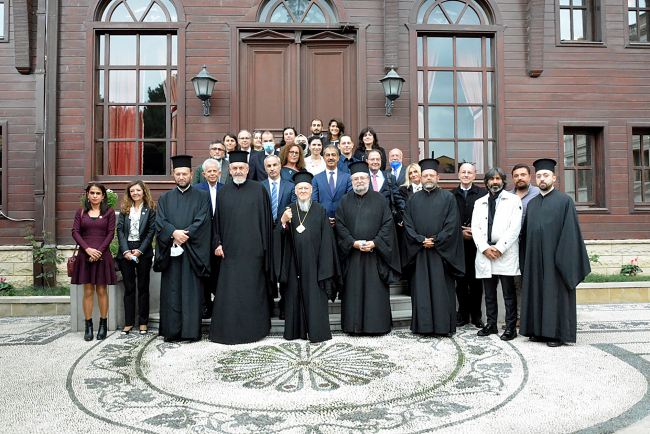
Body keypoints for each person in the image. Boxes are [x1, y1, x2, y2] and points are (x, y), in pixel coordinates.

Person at [519, 158, 591, 347]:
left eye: (546, 175)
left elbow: (571, 233)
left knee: (553, 293)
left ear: (554, 177)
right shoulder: (532, 204)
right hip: (535, 259)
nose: (542, 179)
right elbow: (526, 235)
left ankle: (555, 334)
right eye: (539, 176)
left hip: (556, 259)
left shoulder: (564, 201)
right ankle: (537, 331)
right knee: (536, 292)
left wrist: (562, 259)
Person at [210, 151, 275, 345]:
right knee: (230, 293)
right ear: (229, 171)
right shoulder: (223, 192)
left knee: (252, 292)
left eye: (241, 168)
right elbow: (217, 223)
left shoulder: (258, 189)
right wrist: (217, 243)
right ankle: (227, 331)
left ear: (248, 170)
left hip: (254, 254)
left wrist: (265, 249)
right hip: (229, 253)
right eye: (235, 168)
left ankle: (255, 331)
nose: (238, 171)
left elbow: (266, 222)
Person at [335, 161, 401, 335]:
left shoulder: (379, 199)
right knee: (353, 292)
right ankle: (353, 327)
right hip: (353, 257)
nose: (359, 181)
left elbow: (388, 224)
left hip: (375, 256)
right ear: (351, 181)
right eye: (356, 179)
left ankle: (377, 326)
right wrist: (352, 243)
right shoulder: (344, 200)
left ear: (368, 179)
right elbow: (340, 226)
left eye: (362, 178)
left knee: (375, 293)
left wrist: (376, 242)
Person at [275, 171, 342, 343]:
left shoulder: (320, 211)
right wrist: (283, 222)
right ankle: (295, 332)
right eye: (300, 188)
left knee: (315, 298)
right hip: (293, 264)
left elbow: (328, 240)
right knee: (294, 297)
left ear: (311, 191)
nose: (303, 191)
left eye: (306, 188)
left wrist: (325, 267)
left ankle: (316, 332)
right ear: (295, 191)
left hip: (315, 265)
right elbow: (277, 237)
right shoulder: (288, 210)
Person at [402, 159, 465, 337]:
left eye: (432, 175)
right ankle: (423, 327)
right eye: (425, 175)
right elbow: (408, 224)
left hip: (441, 255)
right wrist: (420, 239)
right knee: (420, 291)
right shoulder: (413, 199)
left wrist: (436, 240)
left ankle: (443, 327)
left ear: (437, 177)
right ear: (420, 178)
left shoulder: (448, 198)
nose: (428, 178)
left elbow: (452, 225)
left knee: (442, 291)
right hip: (420, 253)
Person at [154, 155, 212, 342]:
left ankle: (190, 332)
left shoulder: (202, 196)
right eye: (178, 174)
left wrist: (184, 235)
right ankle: (171, 332)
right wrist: (173, 233)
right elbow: (160, 221)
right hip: (172, 253)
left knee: (191, 292)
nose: (181, 177)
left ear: (191, 174)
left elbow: (203, 220)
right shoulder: (165, 198)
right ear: (173, 175)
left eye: (184, 174)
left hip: (192, 253)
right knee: (172, 292)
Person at [471, 167, 522, 341]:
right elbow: (475, 228)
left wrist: (500, 248)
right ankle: (491, 324)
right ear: (486, 182)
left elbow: (515, 228)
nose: (495, 182)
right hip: (486, 253)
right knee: (490, 293)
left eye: (498, 179)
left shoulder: (514, 200)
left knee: (508, 293)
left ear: (503, 181)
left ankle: (510, 327)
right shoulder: (480, 202)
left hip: (504, 253)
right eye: (491, 179)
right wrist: (485, 248)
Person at [72, 182, 117, 341]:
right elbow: (75, 232)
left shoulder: (109, 213)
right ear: (87, 195)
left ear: (103, 196)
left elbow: (111, 233)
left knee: (102, 291)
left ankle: (103, 325)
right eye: (92, 193)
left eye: (98, 193)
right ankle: (88, 326)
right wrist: (88, 250)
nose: (95, 196)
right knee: (88, 292)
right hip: (85, 256)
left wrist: (98, 252)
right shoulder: (80, 212)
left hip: (103, 256)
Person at [116, 180, 156, 335]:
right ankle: (129, 322)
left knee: (143, 287)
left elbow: (151, 232)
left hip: (143, 251)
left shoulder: (150, 210)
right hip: (126, 250)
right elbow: (120, 230)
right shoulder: (125, 209)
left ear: (143, 192)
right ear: (129, 193)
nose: (135, 193)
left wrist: (140, 250)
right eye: (132, 191)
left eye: (138, 190)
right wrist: (125, 251)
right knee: (129, 288)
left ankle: (143, 323)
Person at [451, 162, 487, 328]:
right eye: (463, 172)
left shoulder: (482, 194)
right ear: (458, 174)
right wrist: (460, 231)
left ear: (474, 175)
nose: (466, 175)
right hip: (458, 245)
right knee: (461, 281)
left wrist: (475, 231)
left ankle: (477, 316)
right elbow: (447, 220)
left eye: (469, 172)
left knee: (476, 282)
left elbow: (488, 218)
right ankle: (462, 314)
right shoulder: (451, 195)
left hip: (477, 244)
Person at [507, 163, 540, 329]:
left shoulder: (538, 194)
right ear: (512, 178)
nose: (520, 178)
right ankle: (519, 317)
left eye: (523, 175)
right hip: (513, 246)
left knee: (534, 280)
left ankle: (536, 316)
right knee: (517, 282)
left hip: (534, 245)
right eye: (516, 175)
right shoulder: (507, 196)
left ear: (529, 177)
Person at [193, 158, 225, 319]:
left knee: (220, 272)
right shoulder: (197, 189)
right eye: (209, 171)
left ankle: (220, 305)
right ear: (204, 174)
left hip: (221, 236)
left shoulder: (226, 189)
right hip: (203, 237)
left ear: (220, 173)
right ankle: (205, 305)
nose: (212, 174)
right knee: (204, 271)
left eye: (215, 171)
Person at [312, 145, 353, 226]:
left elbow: (350, 201)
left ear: (338, 157)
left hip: (343, 222)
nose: (331, 157)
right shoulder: (316, 178)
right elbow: (314, 202)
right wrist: (323, 218)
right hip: (322, 223)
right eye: (327, 155)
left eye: (333, 155)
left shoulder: (347, 177)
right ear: (323, 158)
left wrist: (339, 218)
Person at [367, 149, 405, 223]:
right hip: (368, 220)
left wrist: (404, 216)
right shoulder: (363, 178)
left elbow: (398, 199)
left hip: (387, 221)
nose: (375, 162)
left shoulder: (389, 177)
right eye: (372, 159)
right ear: (367, 161)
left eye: (378, 159)